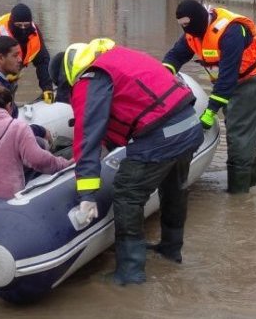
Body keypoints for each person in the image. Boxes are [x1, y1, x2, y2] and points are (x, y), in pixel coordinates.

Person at [59, 38, 203, 285]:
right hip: (189, 125)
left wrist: (87, 196)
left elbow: (87, 137)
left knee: (127, 194)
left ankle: (130, 273)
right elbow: (130, 111)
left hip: (162, 135)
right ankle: (171, 250)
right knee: (174, 189)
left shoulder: (90, 78)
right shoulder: (117, 57)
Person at [162, 0, 256, 194]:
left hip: (251, 83)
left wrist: (210, 112)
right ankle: (251, 182)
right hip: (228, 84)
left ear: (199, 20)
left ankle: (239, 197)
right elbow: (175, 56)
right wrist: (163, 75)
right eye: (183, 26)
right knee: (241, 133)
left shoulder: (231, 32)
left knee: (238, 137)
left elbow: (227, 79)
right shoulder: (192, 33)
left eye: (188, 25)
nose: (187, 30)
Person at [0, 81, 70, 199]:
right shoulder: (17, 127)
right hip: (1, 199)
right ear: (9, 106)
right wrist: (64, 164)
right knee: (38, 145)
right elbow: (39, 160)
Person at [0, 4, 55, 103]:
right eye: (19, 26)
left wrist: (47, 87)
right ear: (12, 23)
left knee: (8, 100)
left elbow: (43, 61)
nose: (23, 29)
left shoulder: (34, 33)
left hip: (11, 70)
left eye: (26, 25)